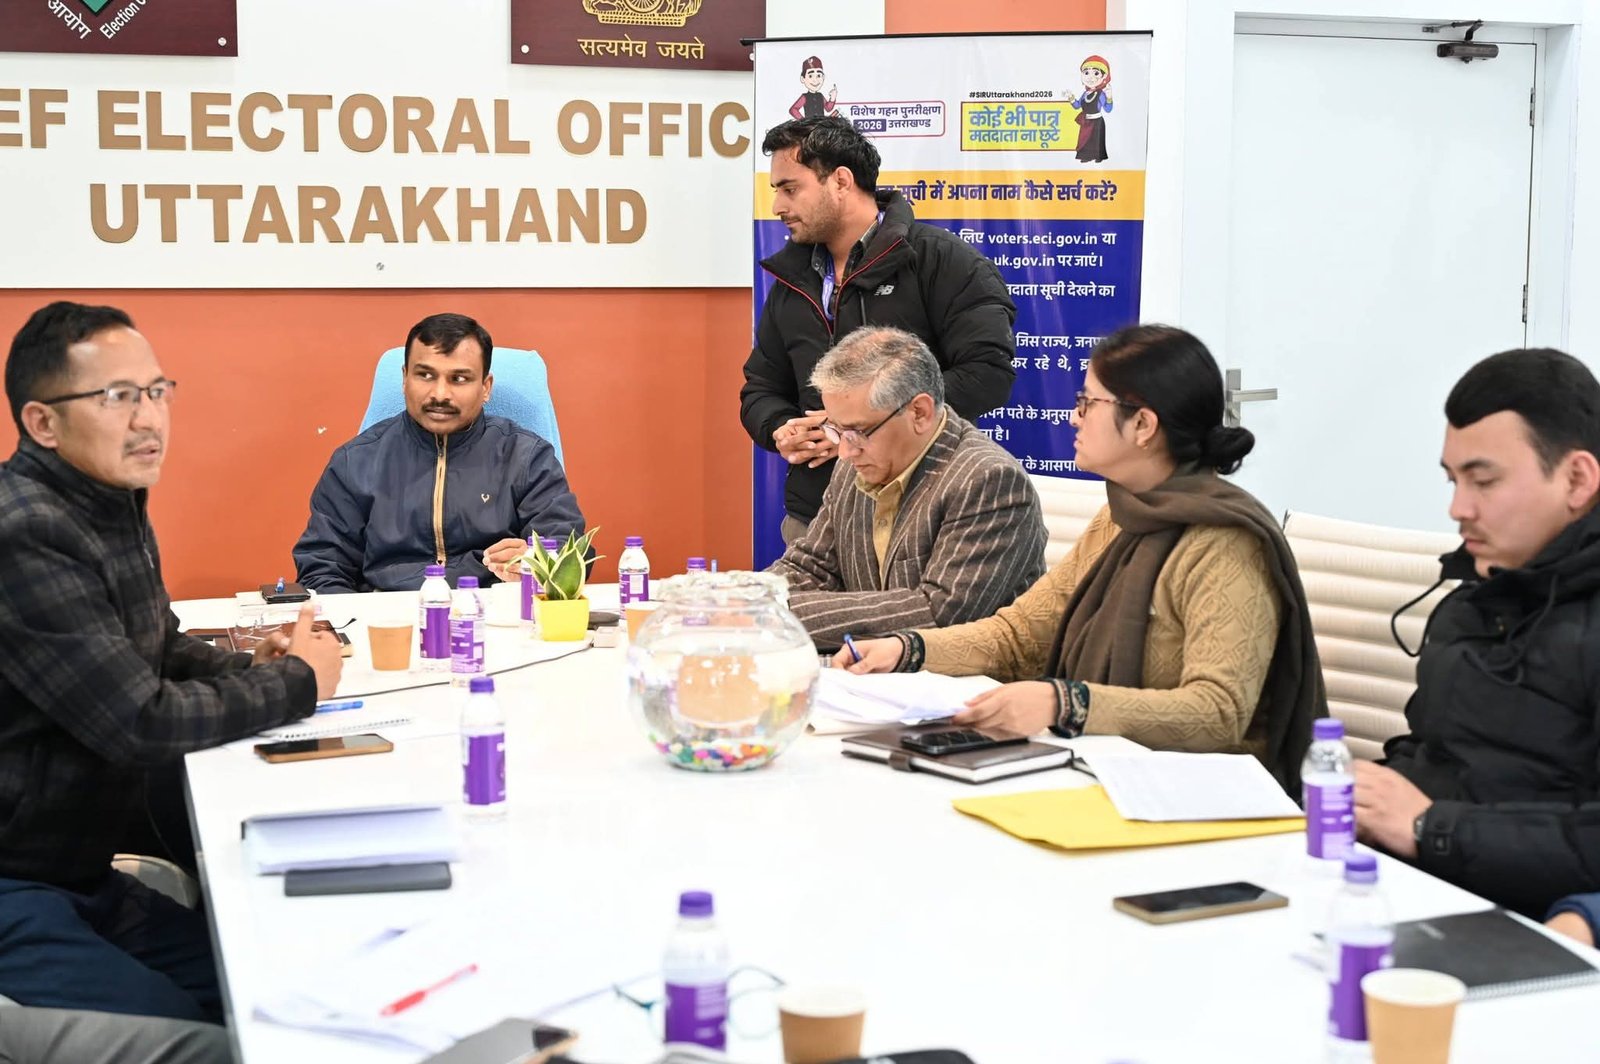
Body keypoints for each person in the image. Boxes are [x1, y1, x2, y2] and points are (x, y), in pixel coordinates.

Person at [0, 302, 342, 1022]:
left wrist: (252, 663)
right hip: (18, 885)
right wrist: (297, 683)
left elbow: (157, 648)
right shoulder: (26, 530)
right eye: (118, 397)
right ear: (42, 423)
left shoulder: (107, 499)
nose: (149, 418)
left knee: (271, 986)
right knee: (202, 1035)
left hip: (80, 873)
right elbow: (140, 720)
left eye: (157, 391)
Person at [838, 325, 1325, 793]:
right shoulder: (1121, 516)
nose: (1073, 417)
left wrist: (1064, 702)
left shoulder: (1224, 543)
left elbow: (1218, 712)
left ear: (1143, 425)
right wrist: (907, 648)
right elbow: (1019, 635)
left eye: (1088, 403)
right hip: (1107, 770)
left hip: (1200, 797)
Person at [1353, 347, 1600, 917]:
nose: (1457, 508)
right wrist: (1364, 798)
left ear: (1577, 479)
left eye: (1483, 481)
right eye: (1453, 479)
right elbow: (1436, 750)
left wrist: (1429, 826)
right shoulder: (1474, 600)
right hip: (1420, 887)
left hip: (1530, 919)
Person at [741, 115, 1017, 544]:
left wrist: (859, 422)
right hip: (815, 520)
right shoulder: (791, 281)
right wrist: (781, 428)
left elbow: (987, 375)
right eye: (777, 191)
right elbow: (761, 388)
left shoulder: (944, 262)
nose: (778, 206)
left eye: (790, 189)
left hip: (924, 514)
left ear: (841, 181)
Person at [768, 326, 1045, 648]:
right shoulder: (855, 463)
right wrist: (740, 601)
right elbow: (811, 567)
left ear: (919, 412)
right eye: (836, 430)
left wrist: (776, 615)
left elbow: (939, 613)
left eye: (858, 431)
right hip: (872, 669)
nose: (844, 451)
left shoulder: (988, 481)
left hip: (969, 677)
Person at [293, 312, 585, 592]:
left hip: (494, 613)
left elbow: (566, 549)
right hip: (387, 614)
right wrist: (354, 621)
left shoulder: (526, 457)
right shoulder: (355, 462)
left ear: (486, 387)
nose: (440, 394)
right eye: (425, 375)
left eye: (459, 379)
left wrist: (537, 561)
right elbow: (322, 568)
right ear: (405, 379)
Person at [788, 55, 838, 120]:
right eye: (810, 76)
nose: (815, 80)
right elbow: (793, 110)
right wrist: (803, 121)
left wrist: (832, 99)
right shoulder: (804, 97)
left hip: (822, 124)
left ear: (823, 77)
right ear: (803, 79)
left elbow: (828, 109)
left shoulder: (820, 95)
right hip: (810, 125)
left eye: (818, 75)